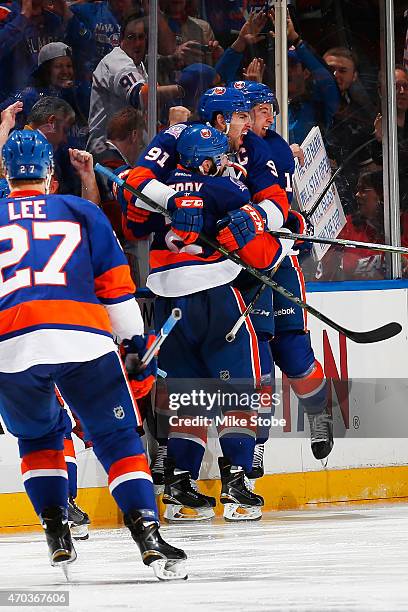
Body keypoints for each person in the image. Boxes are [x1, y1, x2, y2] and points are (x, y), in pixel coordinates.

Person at [0, 129, 187, 580]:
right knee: (117, 438)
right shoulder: (81, 209)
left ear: (6, 174)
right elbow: (116, 290)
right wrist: (133, 341)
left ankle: (56, 531)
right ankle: (146, 533)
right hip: (82, 338)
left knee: (40, 438)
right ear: (49, 173)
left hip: (12, 347)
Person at [118, 123, 295, 521]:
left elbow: (132, 217)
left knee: (185, 395)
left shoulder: (156, 190)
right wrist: (281, 228)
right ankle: (235, 483)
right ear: (211, 161)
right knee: (238, 390)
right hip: (215, 297)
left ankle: (180, 486)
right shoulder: (224, 188)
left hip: (166, 302)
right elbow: (265, 222)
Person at [230, 81, 333, 472]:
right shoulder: (225, 146)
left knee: (292, 351)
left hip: (281, 259)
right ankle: (256, 446)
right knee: (258, 362)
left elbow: (286, 201)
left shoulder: (272, 145)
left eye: (267, 107)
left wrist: (294, 219)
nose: (267, 114)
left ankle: (320, 414)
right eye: (255, 109)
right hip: (243, 268)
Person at [87, 12, 183, 155]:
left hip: (129, 148)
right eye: (131, 37)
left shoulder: (139, 65)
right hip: (105, 149)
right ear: (121, 40)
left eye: (141, 37)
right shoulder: (117, 62)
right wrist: (181, 89)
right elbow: (140, 96)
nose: (137, 43)